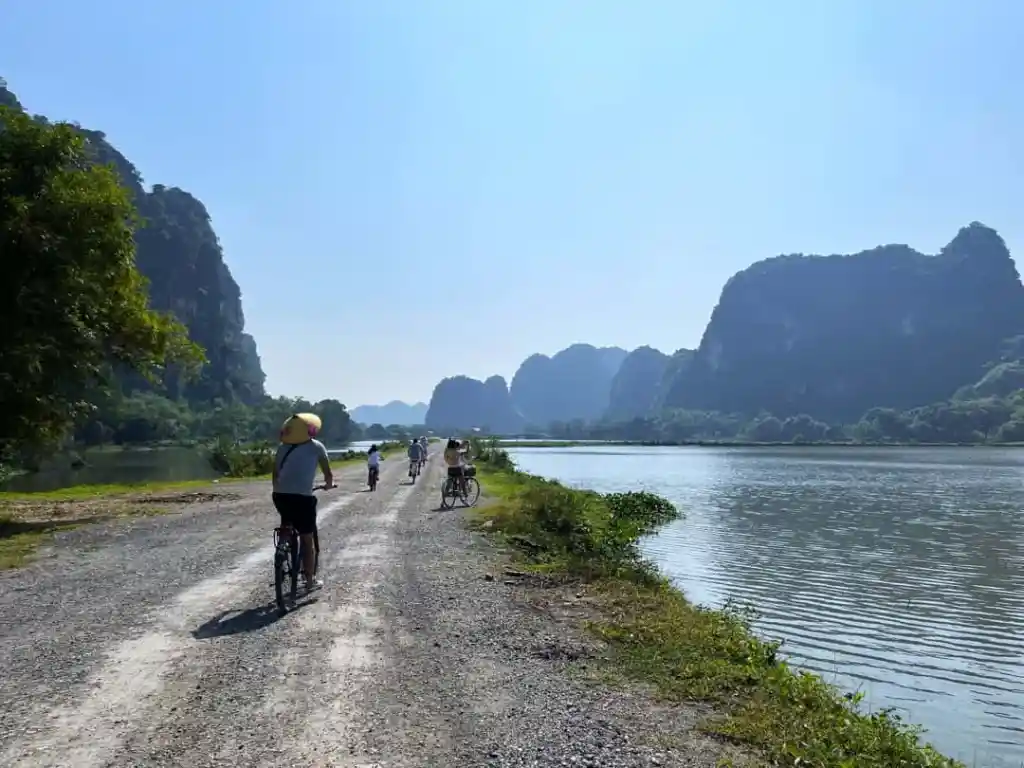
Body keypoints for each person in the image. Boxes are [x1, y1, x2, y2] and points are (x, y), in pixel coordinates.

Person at [272, 412, 333, 591]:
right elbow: (328, 474)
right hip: (303, 498)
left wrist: (280, 488)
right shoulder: (317, 447)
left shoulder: (282, 448)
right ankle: (309, 580)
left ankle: (284, 541)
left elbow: (275, 474)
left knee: (287, 520)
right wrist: (328, 485)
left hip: (280, 496)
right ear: (311, 430)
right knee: (307, 539)